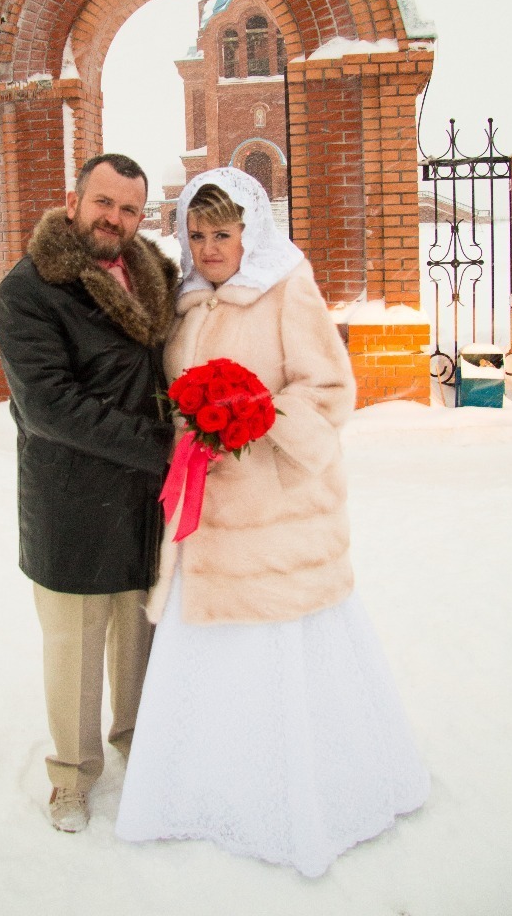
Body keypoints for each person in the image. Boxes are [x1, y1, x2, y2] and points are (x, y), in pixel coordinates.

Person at [116, 166, 430, 876]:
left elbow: (328, 390)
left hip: (276, 518)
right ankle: (204, 790)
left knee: (277, 660)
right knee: (209, 663)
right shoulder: (187, 303)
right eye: (196, 235)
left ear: (249, 231)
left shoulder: (288, 286)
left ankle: (296, 796)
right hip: (204, 521)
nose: (208, 249)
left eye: (222, 234)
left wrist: (255, 416)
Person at [0, 153, 177, 834]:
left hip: (143, 503)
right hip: (70, 495)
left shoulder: (154, 275)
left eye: (130, 209)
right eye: (103, 202)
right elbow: (49, 406)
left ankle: (138, 744)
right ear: (73, 202)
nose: (115, 218)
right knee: (75, 644)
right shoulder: (32, 287)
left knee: (137, 634)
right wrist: (163, 447)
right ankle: (72, 776)